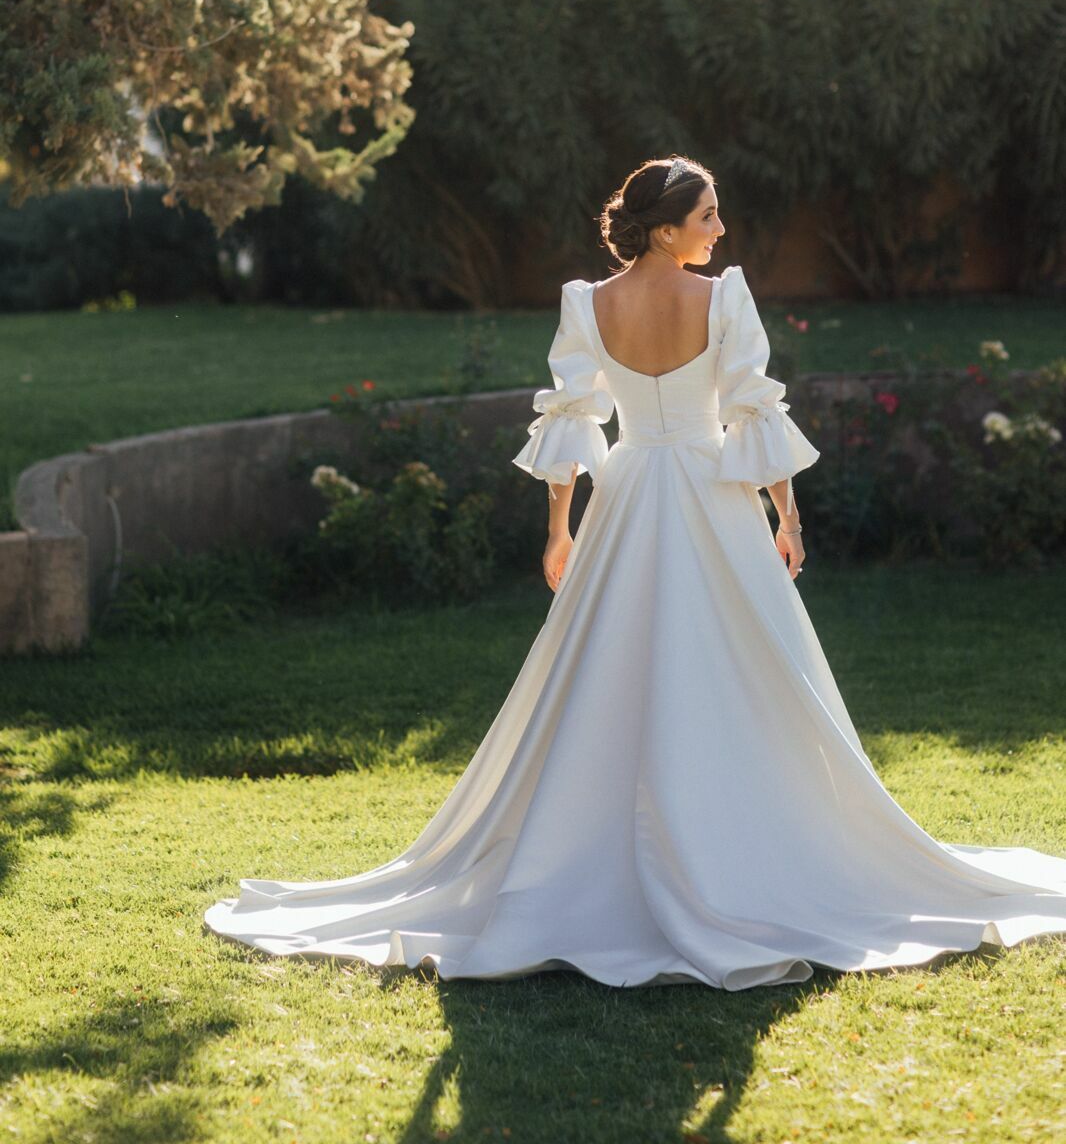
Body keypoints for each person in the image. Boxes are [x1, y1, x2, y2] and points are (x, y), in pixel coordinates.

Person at [204, 155, 1066, 989]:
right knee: (747, 668)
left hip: (624, 499)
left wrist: (559, 530)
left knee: (606, 672)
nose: (720, 230)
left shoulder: (589, 304)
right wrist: (787, 514)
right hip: (711, 495)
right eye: (706, 216)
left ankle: (610, 843)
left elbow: (574, 420)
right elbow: (754, 408)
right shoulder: (722, 298)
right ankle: (745, 842)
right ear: (663, 231)